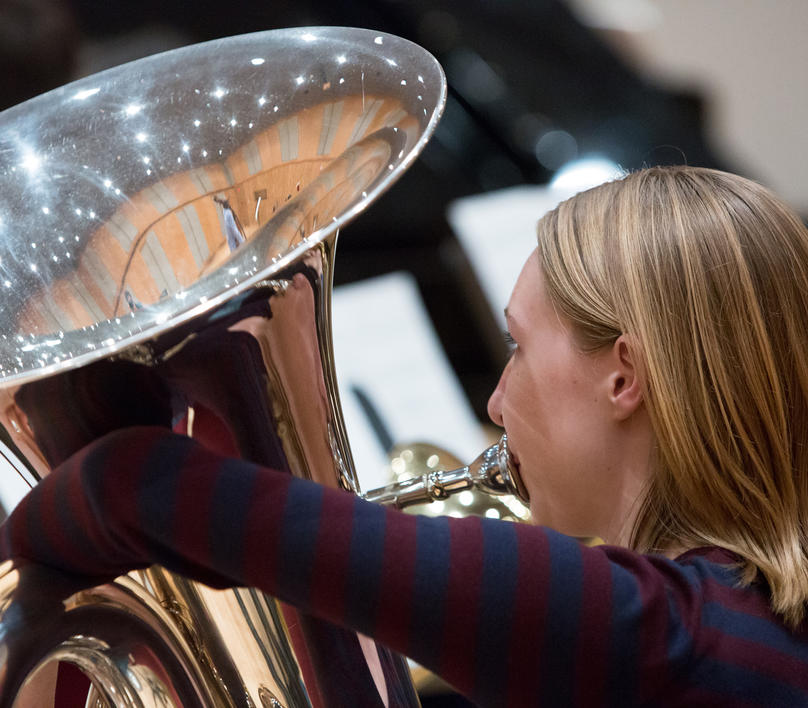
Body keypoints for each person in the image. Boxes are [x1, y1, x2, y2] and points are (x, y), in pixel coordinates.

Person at [4, 165, 808, 707]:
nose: (496, 401)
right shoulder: (748, 625)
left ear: (624, 377)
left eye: (519, 347)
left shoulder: (659, 638)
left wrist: (17, 565)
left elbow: (139, 484)